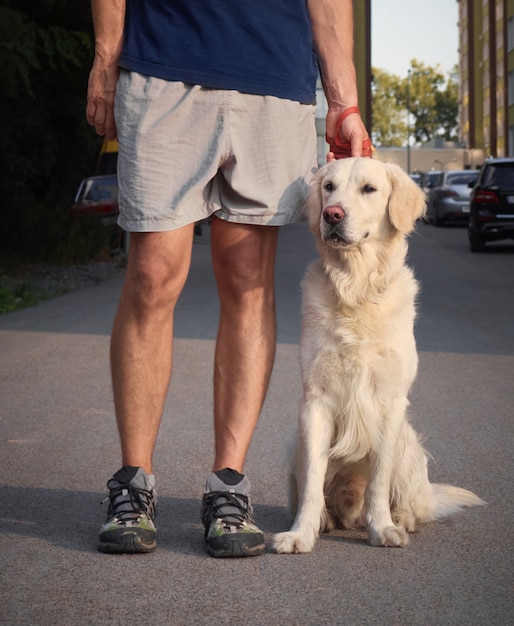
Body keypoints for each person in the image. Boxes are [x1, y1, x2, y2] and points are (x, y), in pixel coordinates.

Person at [86, 0, 370, 558]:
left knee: (247, 280)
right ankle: (133, 483)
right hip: (164, 65)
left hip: (274, 78)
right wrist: (106, 57)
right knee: (152, 276)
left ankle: (228, 487)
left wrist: (343, 102)